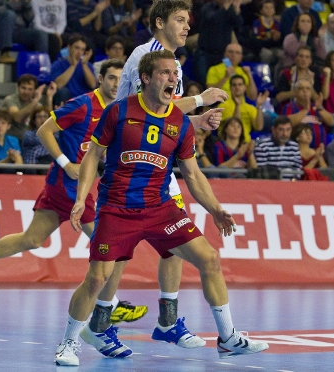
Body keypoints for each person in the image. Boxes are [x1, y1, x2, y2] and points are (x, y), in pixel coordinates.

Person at [60, 49, 269, 366]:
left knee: (209, 259)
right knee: (97, 278)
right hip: (117, 208)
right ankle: (69, 343)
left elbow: (193, 175)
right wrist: (80, 198)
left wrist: (215, 209)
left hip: (160, 208)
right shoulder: (119, 112)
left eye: (175, 74)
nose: (173, 78)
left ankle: (228, 339)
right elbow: (92, 156)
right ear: (145, 78)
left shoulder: (180, 124)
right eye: (166, 73)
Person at [0, 60, 148, 350]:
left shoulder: (116, 110)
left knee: (31, 239)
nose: (117, 84)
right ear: (101, 79)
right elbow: (44, 130)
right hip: (66, 183)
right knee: (109, 239)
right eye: (112, 78)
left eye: (121, 79)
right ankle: (111, 305)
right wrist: (66, 163)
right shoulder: (82, 104)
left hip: (78, 184)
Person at [113, 0, 229, 354]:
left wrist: (197, 122)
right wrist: (199, 99)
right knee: (115, 256)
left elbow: (163, 121)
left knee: (174, 244)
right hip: (127, 166)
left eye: (188, 21)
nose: (187, 26)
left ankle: (168, 321)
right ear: (159, 22)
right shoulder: (145, 56)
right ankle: (97, 324)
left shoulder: (173, 62)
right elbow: (144, 111)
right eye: (180, 20)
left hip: (158, 167)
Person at [193, 0, 244, 85]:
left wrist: (237, 10)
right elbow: (213, 20)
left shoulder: (230, 9)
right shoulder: (207, 8)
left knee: (228, 80)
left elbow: (239, 24)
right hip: (204, 54)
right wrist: (225, 7)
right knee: (204, 83)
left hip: (223, 55)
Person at [282, 78, 334, 149]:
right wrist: (305, 110)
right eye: (301, 88)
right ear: (295, 92)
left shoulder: (317, 107)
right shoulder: (289, 107)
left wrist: (320, 108)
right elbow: (287, 123)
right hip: (298, 151)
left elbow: (331, 122)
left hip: (320, 149)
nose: (305, 91)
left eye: (308, 89)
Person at [2, 74, 57, 141]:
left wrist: (49, 97)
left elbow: (47, 121)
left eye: (30, 89)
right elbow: (17, 118)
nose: (26, 92)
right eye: (23, 88)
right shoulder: (10, 100)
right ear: (18, 88)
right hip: (13, 140)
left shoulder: (37, 105)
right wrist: (36, 100)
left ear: (34, 90)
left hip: (30, 141)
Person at [218, 74, 266, 143]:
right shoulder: (223, 106)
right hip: (229, 144)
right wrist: (237, 106)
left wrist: (259, 106)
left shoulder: (250, 108)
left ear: (245, 87)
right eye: (234, 85)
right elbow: (234, 126)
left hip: (246, 143)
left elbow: (259, 127)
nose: (237, 87)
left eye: (240, 85)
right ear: (230, 88)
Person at [51, 34, 97, 106]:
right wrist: (73, 66)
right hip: (67, 100)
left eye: (82, 49)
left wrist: (84, 65)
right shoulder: (58, 64)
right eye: (77, 48)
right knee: (63, 92)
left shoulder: (87, 65)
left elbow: (93, 85)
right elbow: (58, 85)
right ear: (69, 47)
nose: (79, 52)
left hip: (84, 101)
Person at [275, 46, 322, 110]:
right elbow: (278, 97)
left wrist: (309, 86)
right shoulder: (287, 73)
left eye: (307, 57)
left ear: (310, 61)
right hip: (290, 110)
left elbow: (317, 100)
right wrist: (298, 90)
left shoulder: (314, 75)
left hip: (310, 110)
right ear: (296, 58)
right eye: (301, 56)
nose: (304, 59)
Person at [249, 0, 282, 66]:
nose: (269, 10)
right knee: (267, 54)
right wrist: (271, 40)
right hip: (262, 48)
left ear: (274, 10)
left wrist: (277, 39)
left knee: (282, 54)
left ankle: (277, 73)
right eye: (266, 8)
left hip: (274, 47)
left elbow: (279, 40)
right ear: (261, 11)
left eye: (271, 7)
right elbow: (256, 41)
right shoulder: (257, 23)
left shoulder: (277, 24)